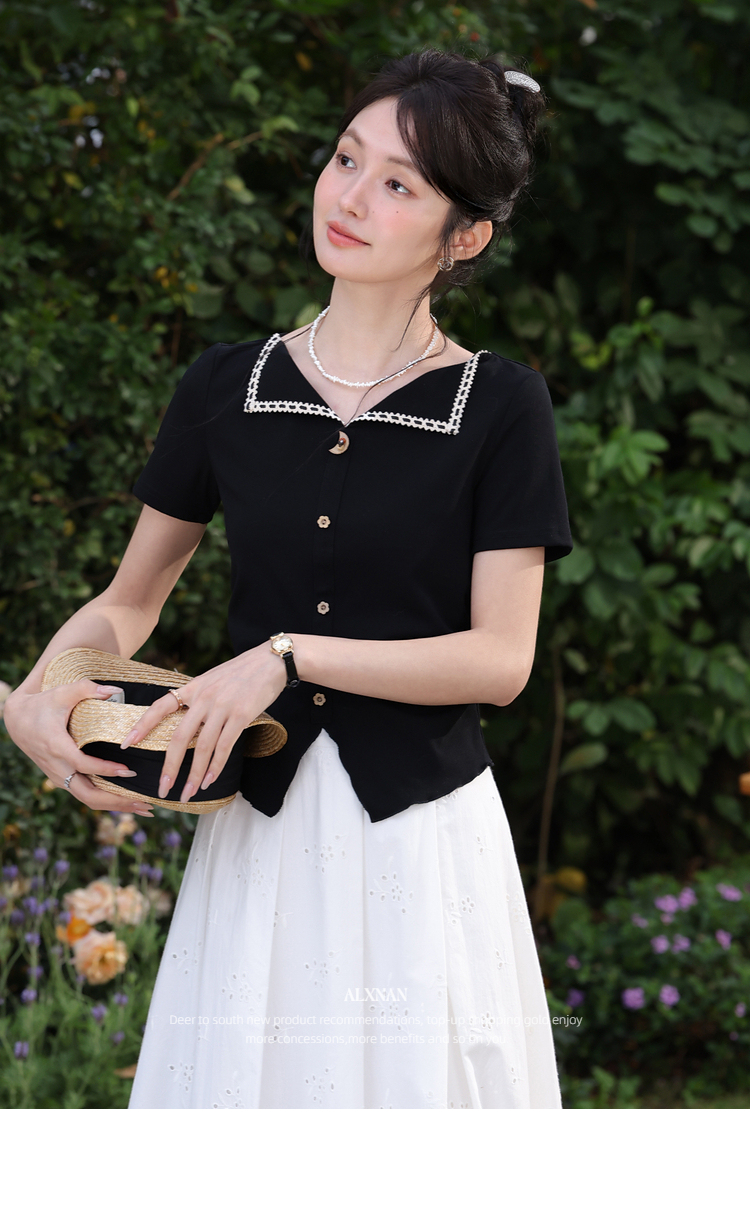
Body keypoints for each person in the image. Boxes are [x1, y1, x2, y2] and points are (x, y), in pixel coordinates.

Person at [4, 48, 572, 1109]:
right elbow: (129, 601)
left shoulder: (500, 407)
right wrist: (38, 693)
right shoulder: (228, 384)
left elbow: (501, 660)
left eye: (398, 184)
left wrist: (286, 656)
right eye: (347, 158)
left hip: (420, 849)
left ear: (464, 236)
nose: (350, 198)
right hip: (257, 840)